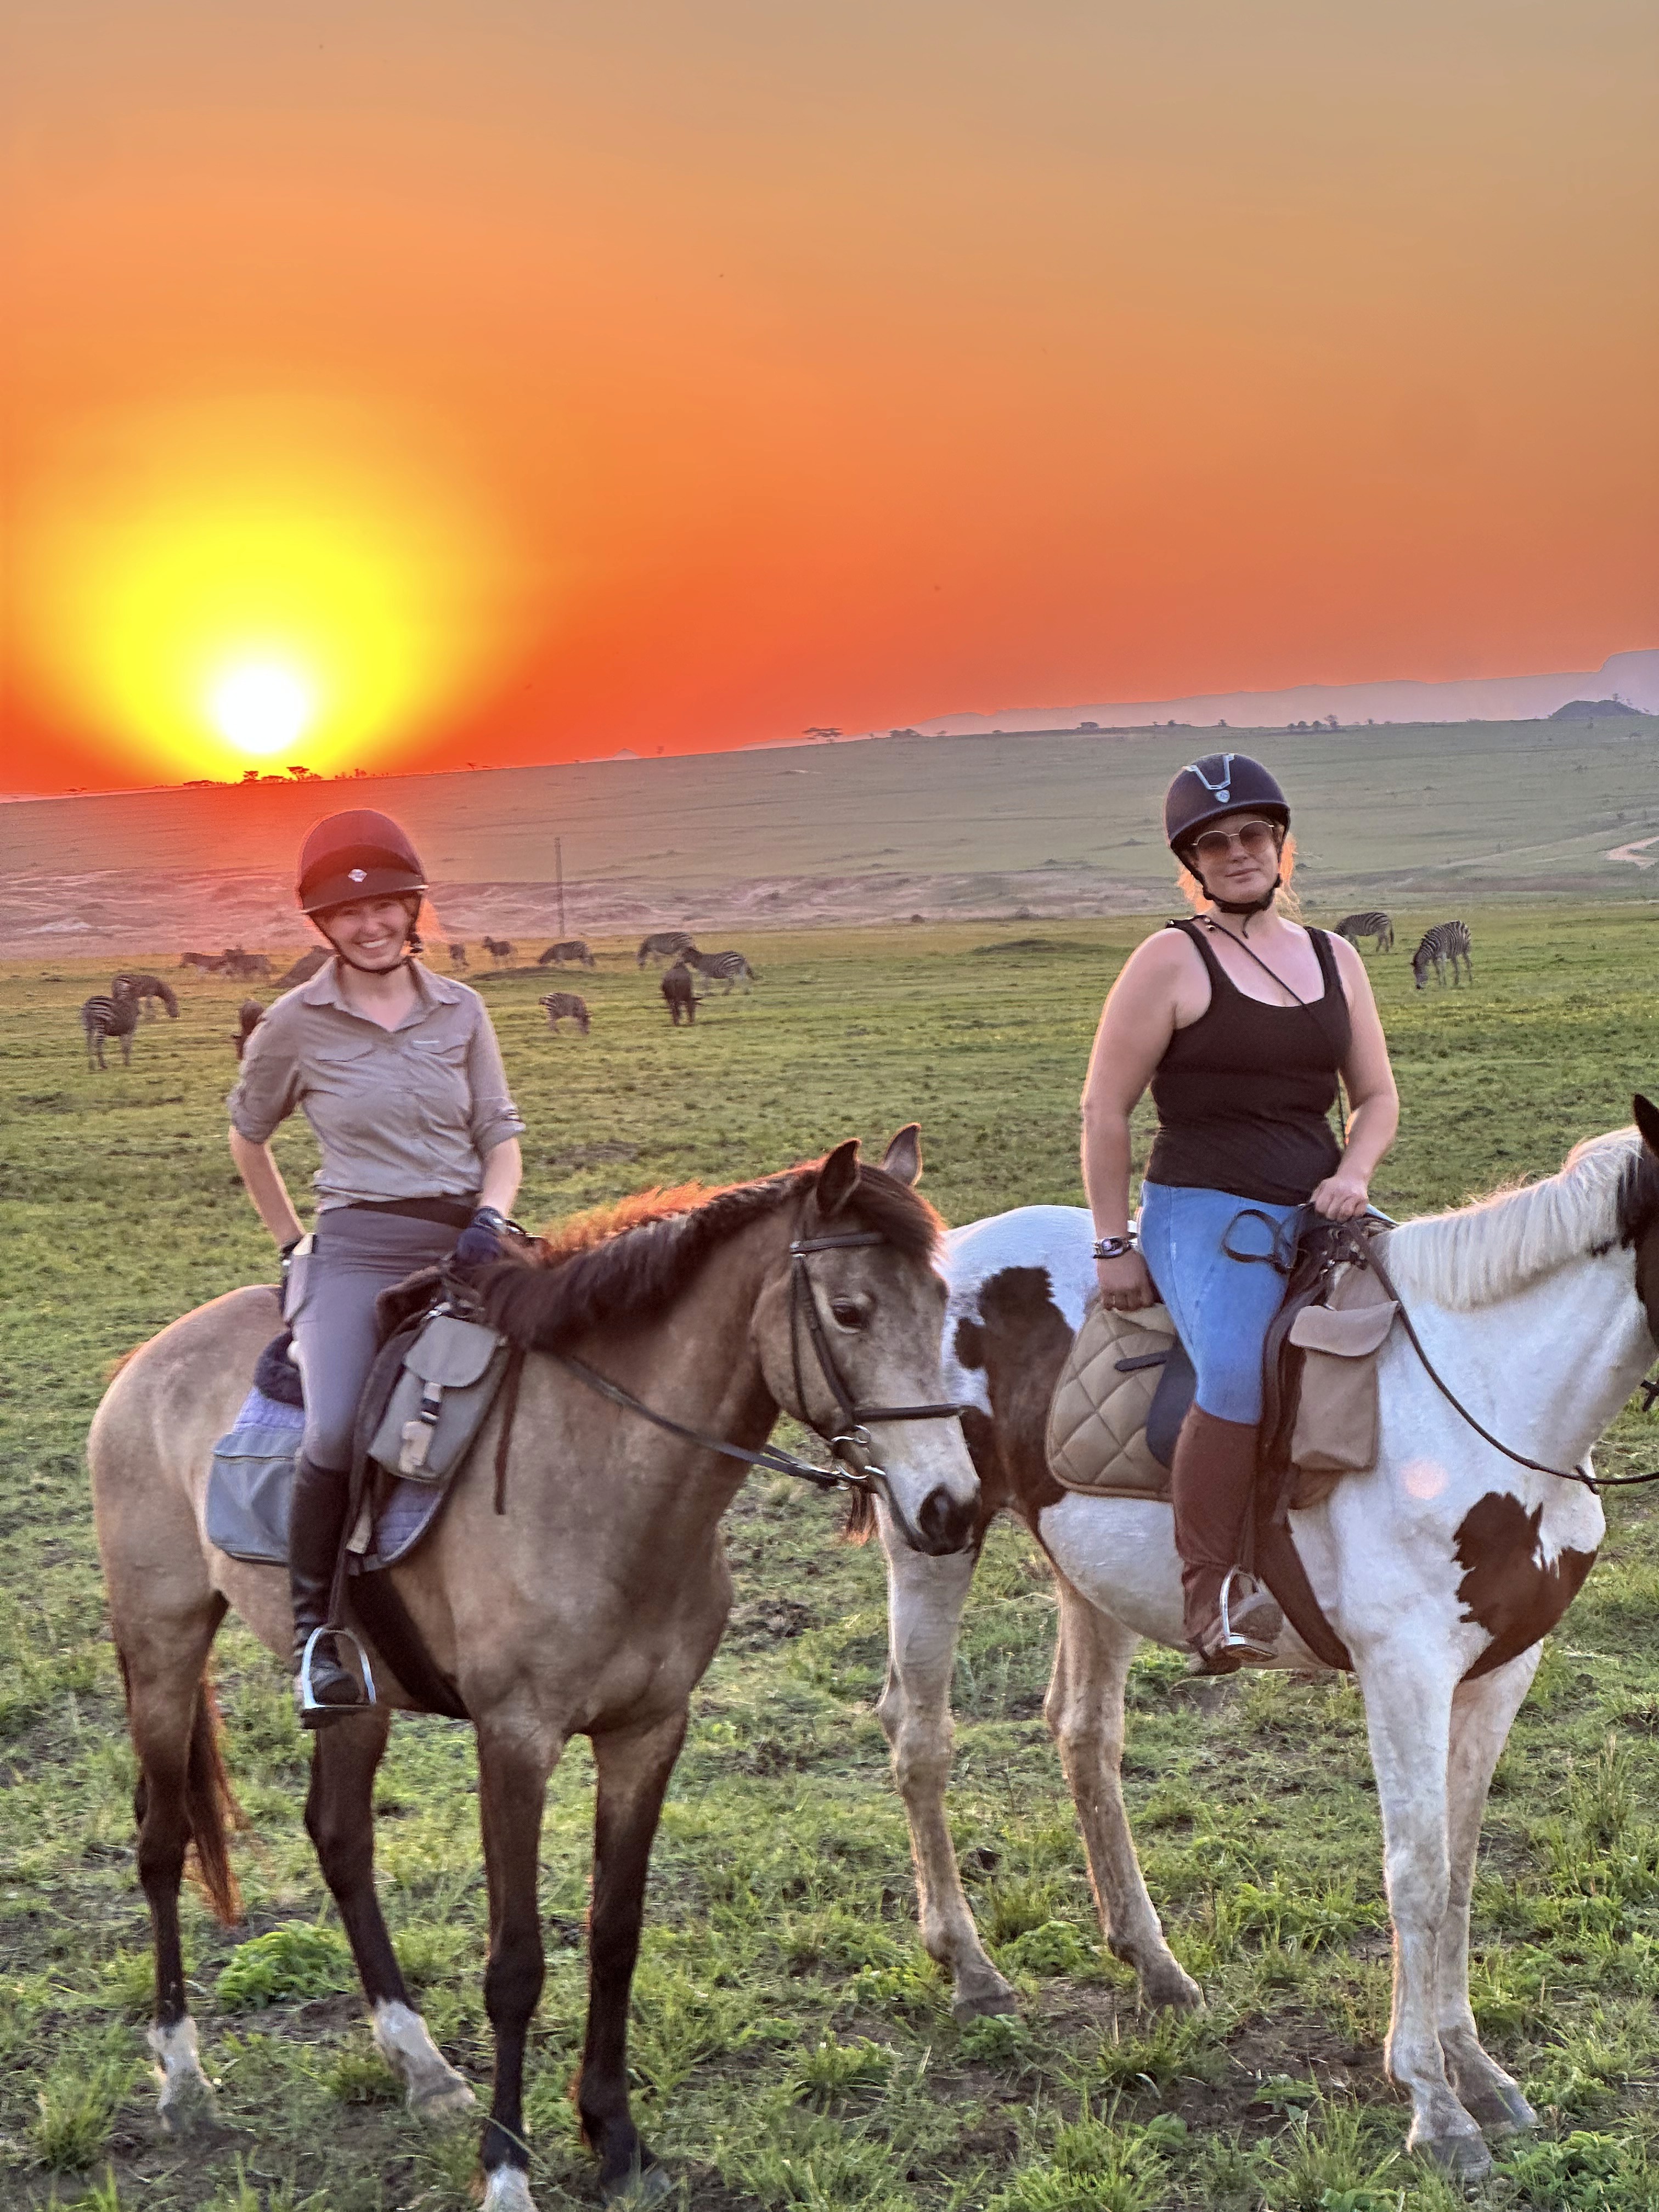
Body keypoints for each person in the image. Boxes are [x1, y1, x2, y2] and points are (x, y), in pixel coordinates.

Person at [1080, 754, 1399, 1672]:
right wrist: (1113, 1242)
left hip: (1322, 1201)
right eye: (1213, 843)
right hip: (1202, 1205)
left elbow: (1376, 1096)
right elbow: (1107, 1110)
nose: (1237, 852)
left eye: (1252, 834)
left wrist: (1356, 1172)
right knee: (1235, 1373)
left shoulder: (1336, 959)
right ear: (1193, 863)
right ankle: (1210, 1592)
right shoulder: (1170, 958)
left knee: (1412, 1333)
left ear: (1281, 846)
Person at [228, 810, 524, 1722]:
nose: (371, 926)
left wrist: (489, 1217)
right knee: (331, 1434)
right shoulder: (293, 1022)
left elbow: (499, 1134)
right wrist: (293, 1244)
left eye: (388, 906)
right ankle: (320, 1634)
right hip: (360, 1245)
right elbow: (249, 1136)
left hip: (471, 1238)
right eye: (349, 915)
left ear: (413, 908)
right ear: (323, 926)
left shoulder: (461, 1010)